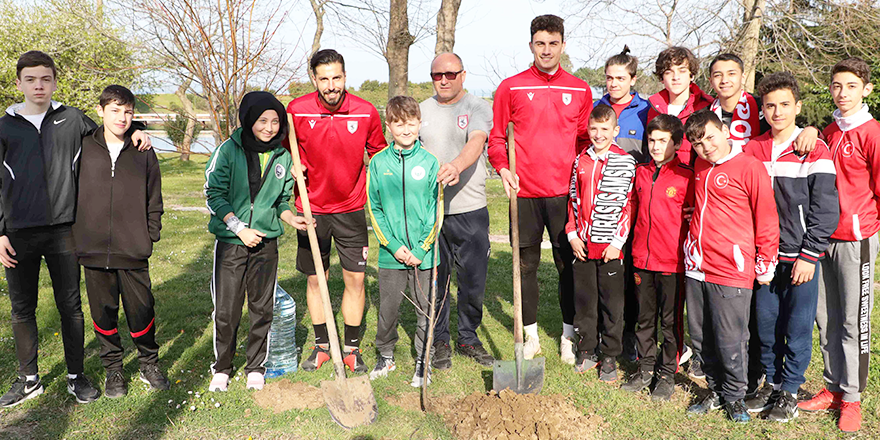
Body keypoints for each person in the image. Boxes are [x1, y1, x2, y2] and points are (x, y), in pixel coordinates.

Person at [0, 51, 152, 408]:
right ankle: (28, 379)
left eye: (46, 79)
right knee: (23, 308)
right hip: (18, 233)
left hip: (66, 231)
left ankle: (75, 376)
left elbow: (111, 131)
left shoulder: (72, 119)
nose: (39, 86)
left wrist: (139, 132)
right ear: (19, 83)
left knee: (70, 306)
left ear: (54, 81)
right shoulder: (4, 127)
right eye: (31, 79)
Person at [488, 14, 593, 364]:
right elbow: (497, 138)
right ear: (531, 45)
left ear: (563, 45)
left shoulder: (579, 89)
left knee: (568, 264)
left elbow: (584, 141)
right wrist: (503, 169)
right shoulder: (511, 87)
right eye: (539, 44)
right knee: (526, 265)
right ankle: (530, 335)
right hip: (525, 193)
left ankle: (568, 334)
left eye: (552, 43)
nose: (546, 50)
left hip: (565, 194)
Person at [740, 72, 839, 422]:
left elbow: (825, 209)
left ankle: (790, 391)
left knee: (797, 326)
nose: (777, 112)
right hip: (763, 257)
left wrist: (810, 254)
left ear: (797, 106)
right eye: (770, 106)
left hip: (800, 257)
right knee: (765, 325)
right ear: (762, 110)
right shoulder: (752, 150)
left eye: (784, 105)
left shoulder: (814, 147)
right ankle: (769, 383)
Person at [287, 49, 386, 375]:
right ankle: (322, 347)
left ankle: (351, 350)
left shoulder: (365, 112)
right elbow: (283, 148)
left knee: (355, 281)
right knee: (316, 281)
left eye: (337, 78)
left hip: (350, 210)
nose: (331, 85)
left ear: (345, 76)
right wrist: (292, 162)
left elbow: (380, 153)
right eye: (324, 78)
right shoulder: (296, 111)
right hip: (310, 210)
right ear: (314, 79)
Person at [204, 91, 309, 392]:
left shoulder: (283, 156)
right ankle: (222, 368)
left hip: (266, 245)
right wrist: (239, 229)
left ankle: (255, 367)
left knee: (262, 308)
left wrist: (292, 219)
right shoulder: (228, 151)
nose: (269, 127)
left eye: (275, 121)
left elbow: (281, 202)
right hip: (232, 242)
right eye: (262, 120)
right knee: (227, 310)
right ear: (249, 119)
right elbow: (214, 195)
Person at [73, 85, 171, 398]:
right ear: (100, 111)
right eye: (115, 110)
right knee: (103, 313)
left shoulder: (142, 150)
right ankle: (114, 371)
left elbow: (154, 197)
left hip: (133, 249)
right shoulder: (83, 146)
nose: (122, 118)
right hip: (93, 249)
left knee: (142, 310)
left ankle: (148, 363)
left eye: (128, 112)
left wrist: (149, 233)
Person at [798, 57, 880, 433]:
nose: (842, 93)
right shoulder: (829, 132)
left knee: (853, 320)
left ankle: (852, 397)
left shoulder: (873, 133)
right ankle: (832, 387)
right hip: (822, 239)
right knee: (826, 318)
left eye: (850, 86)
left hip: (855, 240)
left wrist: (865, 229)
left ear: (866, 89)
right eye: (836, 85)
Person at [682, 110, 779, 424]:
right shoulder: (699, 166)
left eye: (710, 137)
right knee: (701, 336)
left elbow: (766, 218)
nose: (706, 147)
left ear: (724, 130)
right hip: (697, 266)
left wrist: (765, 264)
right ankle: (713, 389)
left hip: (731, 269)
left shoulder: (749, 167)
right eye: (697, 143)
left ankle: (735, 396)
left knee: (731, 337)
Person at [419, 53, 494, 369]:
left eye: (450, 73)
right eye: (438, 75)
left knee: (472, 280)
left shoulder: (476, 107)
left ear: (463, 74)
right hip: (431, 211)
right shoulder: (421, 111)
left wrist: (456, 166)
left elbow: (476, 141)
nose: (444, 80)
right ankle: (439, 340)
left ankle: (468, 337)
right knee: (436, 279)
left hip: (470, 208)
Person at [366, 96, 442, 388]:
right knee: (388, 309)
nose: (406, 130)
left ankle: (424, 361)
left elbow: (436, 209)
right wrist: (395, 246)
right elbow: (375, 208)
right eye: (399, 124)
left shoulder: (430, 162)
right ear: (389, 125)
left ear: (419, 123)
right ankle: (385, 355)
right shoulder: (378, 162)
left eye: (411, 123)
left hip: (425, 256)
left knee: (425, 309)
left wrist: (422, 248)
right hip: (391, 255)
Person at [620, 114, 693, 401]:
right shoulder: (639, 172)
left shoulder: (687, 176)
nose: (655, 145)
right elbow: (631, 211)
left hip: (671, 263)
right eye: (651, 140)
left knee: (670, 321)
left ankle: (667, 373)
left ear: (676, 143)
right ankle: (646, 367)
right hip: (641, 259)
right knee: (644, 318)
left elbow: (695, 214)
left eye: (663, 140)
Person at [566, 104, 636, 382]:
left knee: (611, 303)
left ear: (615, 130)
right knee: (585, 301)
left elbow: (628, 206)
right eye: (594, 128)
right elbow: (572, 198)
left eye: (604, 129)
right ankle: (586, 349)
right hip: (583, 245)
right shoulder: (580, 160)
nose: (598, 134)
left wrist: (618, 242)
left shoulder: (625, 162)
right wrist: (572, 234)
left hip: (610, 248)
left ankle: (609, 354)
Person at [593, 46, 650, 363]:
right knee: (606, 274)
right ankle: (604, 334)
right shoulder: (597, 109)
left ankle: (630, 336)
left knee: (632, 273)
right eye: (609, 78)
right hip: (602, 208)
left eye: (619, 78)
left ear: (633, 78)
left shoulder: (645, 110)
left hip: (636, 204)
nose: (613, 83)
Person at [646, 46, 713, 165]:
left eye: (682, 71)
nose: (676, 77)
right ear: (661, 78)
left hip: (693, 178)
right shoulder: (652, 108)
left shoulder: (706, 107)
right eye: (669, 72)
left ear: (691, 75)